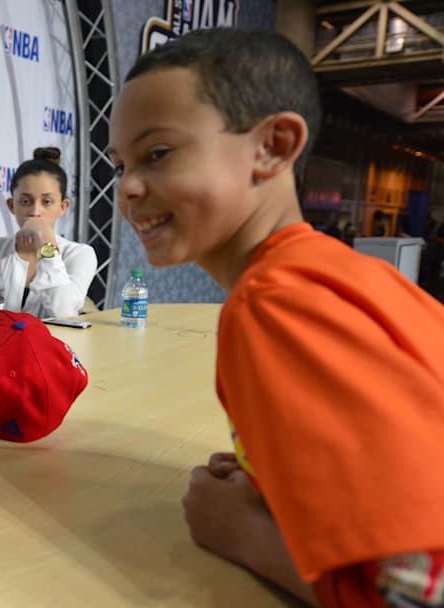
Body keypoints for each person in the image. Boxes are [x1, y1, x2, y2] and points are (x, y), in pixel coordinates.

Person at [109, 27, 444, 607]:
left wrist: (245, 535)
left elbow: (417, 593)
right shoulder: (337, 276)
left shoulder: (275, 304)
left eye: (157, 154)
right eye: (120, 165)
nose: (129, 188)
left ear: (273, 146)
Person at [0, 147, 97, 318]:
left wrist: (47, 243)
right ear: (12, 205)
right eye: (25, 201)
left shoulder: (80, 254)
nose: (35, 211)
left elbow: (63, 311)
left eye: (47, 202)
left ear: (63, 207)